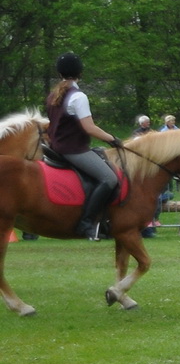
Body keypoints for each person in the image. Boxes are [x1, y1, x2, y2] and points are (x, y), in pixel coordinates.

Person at [42, 53, 123, 240]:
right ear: (80, 72)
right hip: (73, 150)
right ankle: (86, 223)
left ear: (60, 72)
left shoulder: (54, 94)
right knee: (109, 178)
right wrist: (112, 139)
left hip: (56, 147)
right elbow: (89, 128)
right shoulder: (78, 96)